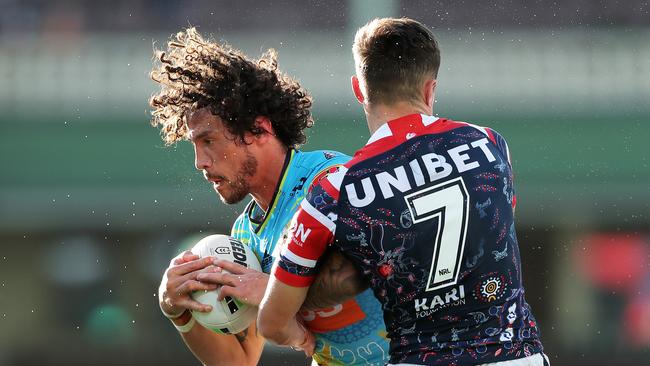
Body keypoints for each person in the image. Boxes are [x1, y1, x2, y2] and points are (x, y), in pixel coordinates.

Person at [258, 17, 548, 366]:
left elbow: (271, 323)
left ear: (359, 90)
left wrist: (301, 337)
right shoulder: (488, 144)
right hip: (515, 356)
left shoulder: (334, 193)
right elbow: (489, 233)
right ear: (430, 89)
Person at [150, 28, 390, 365]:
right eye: (195, 146)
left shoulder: (330, 181)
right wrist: (180, 313)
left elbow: (370, 270)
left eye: (209, 141)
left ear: (260, 130)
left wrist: (275, 293)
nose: (199, 162)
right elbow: (241, 359)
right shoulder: (244, 237)